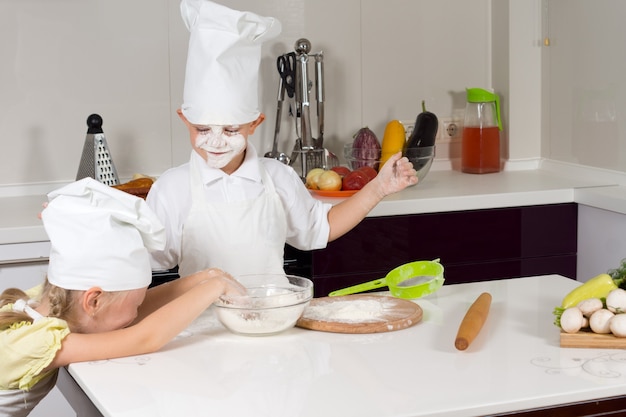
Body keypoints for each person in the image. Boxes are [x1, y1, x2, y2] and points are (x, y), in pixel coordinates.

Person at [146, 0, 418, 279]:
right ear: (184, 119)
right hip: (202, 320)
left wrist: (379, 188)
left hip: (274, 315)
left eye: (230, 130)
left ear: (254, 123)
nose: (216, 142)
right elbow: (148, 264)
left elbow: (320, 227)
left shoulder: (278, 177)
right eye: (202, 129)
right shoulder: (171, 190)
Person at [0, 178, 244, 416]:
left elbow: (128, 312)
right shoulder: (37, 343)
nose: (137, 313)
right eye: (135, 307)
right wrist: (215, 286)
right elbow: (143, 338)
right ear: (93, 301)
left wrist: (205, 277)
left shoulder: (38, 304)